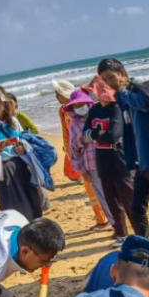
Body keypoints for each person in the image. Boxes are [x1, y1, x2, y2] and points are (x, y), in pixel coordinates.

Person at [95, 58, 149, 238]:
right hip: (140, 163)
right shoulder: (122, 96)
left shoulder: (138, 88)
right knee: (136, 208)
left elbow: (145, 105)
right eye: (105, 80)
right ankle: (145, 243)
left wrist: (122, 92)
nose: (109, 83)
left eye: (110, 77)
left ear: (121, 73)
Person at [0, 85, 43, 222]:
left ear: (4, 102)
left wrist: (23, 147)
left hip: (22, 165)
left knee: (34, 203)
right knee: (15, 208)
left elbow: (25, 140)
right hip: (4, 169)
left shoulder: (13, 120)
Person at [83, 76, 137, 246]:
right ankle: (121, 234)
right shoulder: (94, 110)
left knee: (128, 197)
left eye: (96, 91)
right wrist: (98, 136)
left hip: (118, 157)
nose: (94, 95)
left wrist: (96, 135)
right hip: (102, 158)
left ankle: (140, 232)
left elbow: (114, 134)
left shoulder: (116, 108)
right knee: (111, 199)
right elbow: (85, 134)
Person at [53, 79, 110, 227]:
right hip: (80, 155)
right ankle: (101, 218)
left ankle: (111, 218)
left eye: (57, 94)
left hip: (96, 152)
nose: (56, 97)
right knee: (91, 188)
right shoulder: (63, 111)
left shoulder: (88, 107)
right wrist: (70, 154)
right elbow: (66, 133)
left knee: (104, 186)